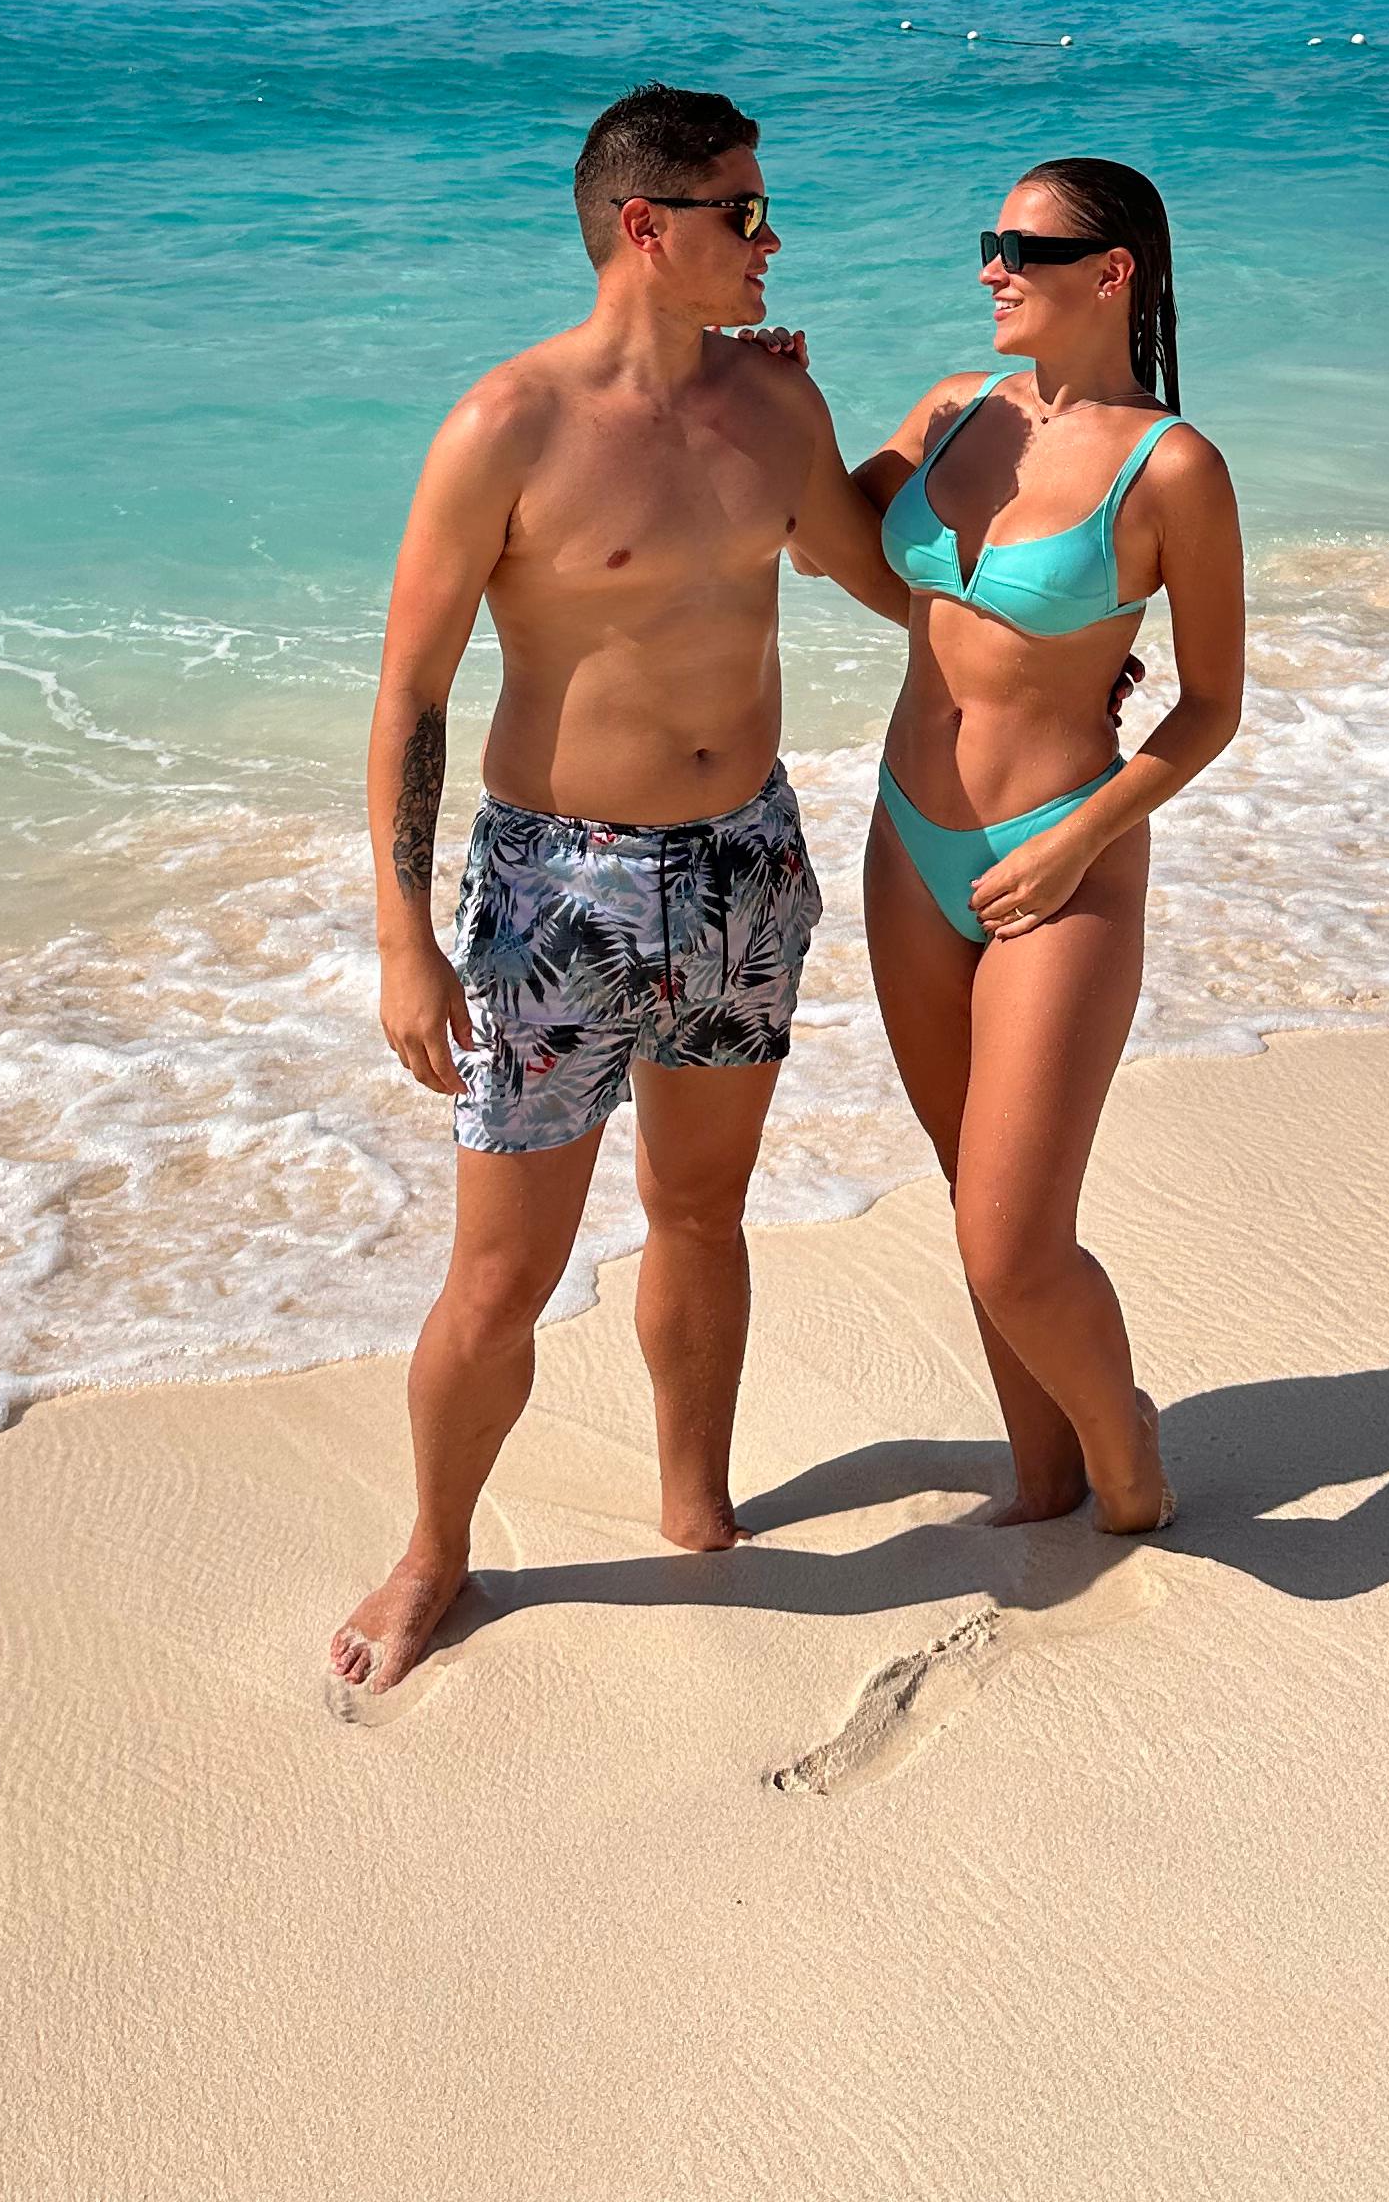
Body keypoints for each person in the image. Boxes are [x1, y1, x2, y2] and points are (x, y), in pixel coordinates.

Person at [328, 84, 910, 1699]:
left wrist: (936, 448)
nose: (769, 241)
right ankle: (435, 1545)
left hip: (742, 866)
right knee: (502, 1274)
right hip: (549, 895)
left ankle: (692, 1496)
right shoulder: (503, 425)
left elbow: (872, 575)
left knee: (700, 1213)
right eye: (741, 212)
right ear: (643, 228)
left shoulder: (774, 411)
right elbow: (409, 694)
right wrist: (399, 938)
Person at [834, 160, 1246, 1538]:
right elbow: (825, 539)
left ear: (1113, 271)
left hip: (1058, 863)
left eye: (1024, 246)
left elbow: (1209, 707)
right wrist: (757, 389)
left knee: (1013, 1240)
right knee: (971, 1204)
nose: (991, 266)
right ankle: (1043, 1470)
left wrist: (1083, 838)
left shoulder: (1169, 465)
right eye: (988, 239)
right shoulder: (953, 417)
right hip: (908, 841)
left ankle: (1128, 1473)